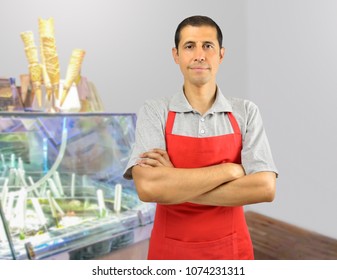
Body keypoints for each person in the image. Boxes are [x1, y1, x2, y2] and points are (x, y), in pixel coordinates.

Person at [123, 15, 278, 260]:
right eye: (189, 46)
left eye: (208, 46)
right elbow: (149, 187)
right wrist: (230, 171)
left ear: (221, 54)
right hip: (170, 253)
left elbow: (265, 188)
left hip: (232, 251)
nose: (199, 55)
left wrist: (173, 185)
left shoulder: (246, 112)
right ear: (175, 55)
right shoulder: (156, 111)